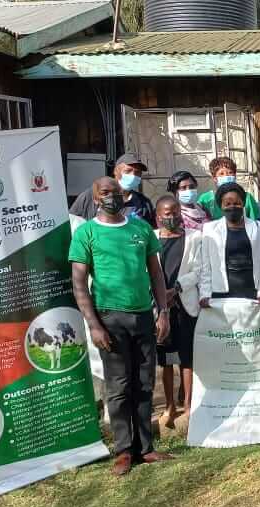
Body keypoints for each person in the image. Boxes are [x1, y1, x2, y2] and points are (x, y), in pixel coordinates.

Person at [69, 177, 172, 476]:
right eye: (105, 192)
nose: (112, 196)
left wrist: (162, 312)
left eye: (116, 192)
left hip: (143, 316)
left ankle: (146, 448)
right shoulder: (87, 233)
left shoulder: (140, 228)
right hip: (109, 319)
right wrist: (94, 325)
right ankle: (124, 450)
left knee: (143, 384)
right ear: (95, 197)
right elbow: (79, 283)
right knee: (118, 387)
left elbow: (156, 273)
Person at [153, 196, 202, 427]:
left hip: (184, 304)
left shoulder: (194, 238)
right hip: (160, 307)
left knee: (186, 358)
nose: (170, 216)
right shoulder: (150, 239)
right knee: (164, 360)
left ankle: (189, 405)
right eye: (166, 213)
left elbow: (199, 269)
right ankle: (169, 406)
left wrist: (178, 288)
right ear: (157, 216)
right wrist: (161, 294)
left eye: (174, 212)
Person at [197, 183, 260, 306]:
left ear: (243, 203)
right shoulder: (210, 229)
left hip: (252, 292)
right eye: (227, 204)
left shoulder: (259, 228)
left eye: (237, 203)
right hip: (220, 294)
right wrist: (205, 294)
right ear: (221, 206)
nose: (232, 207)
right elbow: (205, 266)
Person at [69, 153, 157, 227]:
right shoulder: (93, 195)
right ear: (116, 171)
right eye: (128, 171)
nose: (133, 176)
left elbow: (149, 232)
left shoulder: (143, 203)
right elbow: (72, 223)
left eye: (138, 173)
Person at [198, 157, 260, 222]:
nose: (226, 176)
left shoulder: (247, 198)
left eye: (230, 172)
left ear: (235, 175)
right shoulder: (205, 199)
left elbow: (255, 223)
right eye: (221, 174)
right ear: (215, 178)